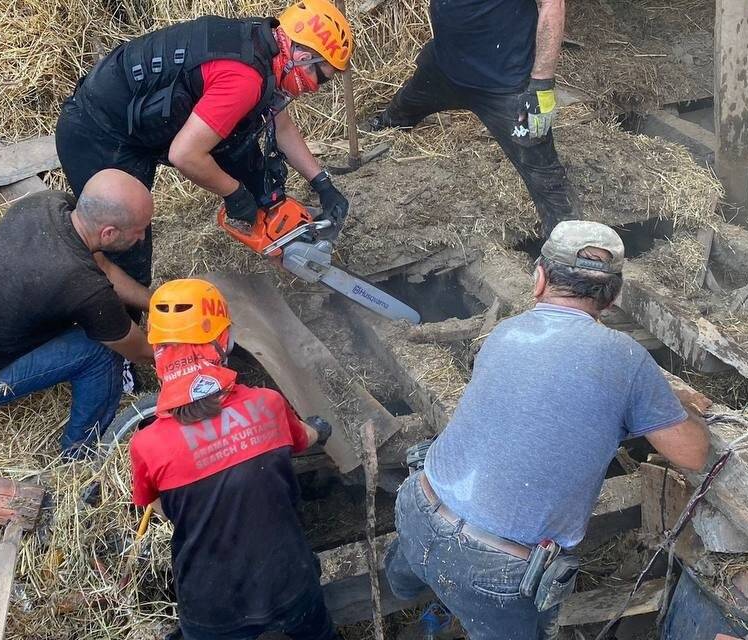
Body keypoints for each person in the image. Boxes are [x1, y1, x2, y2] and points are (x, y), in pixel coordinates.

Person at [383, 221, 712, 639]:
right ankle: (450, 597)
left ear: (538, 279)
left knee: (409, 576)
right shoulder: (625, 358)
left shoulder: (504, 333)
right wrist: (679, 409)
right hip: (495, 568)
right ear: (612, 297)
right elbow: (693, 454)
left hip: (418, 505)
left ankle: (422, 598)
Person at [56, 0, 354, 286]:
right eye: (322, 78)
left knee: (247, 157)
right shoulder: (244, 78)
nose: (317, 88)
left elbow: (281, 122)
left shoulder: (262, 45)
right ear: (302, 57)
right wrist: (234, 194)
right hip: (98, 131)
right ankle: (117, 326)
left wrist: (322, 183)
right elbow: (185, 155)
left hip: (141, 121)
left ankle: (289, 249)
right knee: (126, 242)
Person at [128, 278, 337, 640]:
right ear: (223, 341)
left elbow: (160, 508)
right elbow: (303, 438)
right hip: (290, 581)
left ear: (158, 350)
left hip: (212, 606)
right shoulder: (266, 404)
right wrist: (320, 427)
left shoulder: (147, 444)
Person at [0, 169, 155, 457]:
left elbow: (103, 267)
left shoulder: (48, 204)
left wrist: (158, 302)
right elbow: (141, 352)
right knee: (101, 351)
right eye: (138, 230)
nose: (141, 237)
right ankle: (80, 455)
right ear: (108, 233)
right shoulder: (82, 285)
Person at [365, 0, 574, 234]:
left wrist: (542, 83)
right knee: (400, 112)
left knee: (545, 179)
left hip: (505, 86)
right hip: (445, 67)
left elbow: (552, 4)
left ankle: (565, 249)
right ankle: (380, 129)